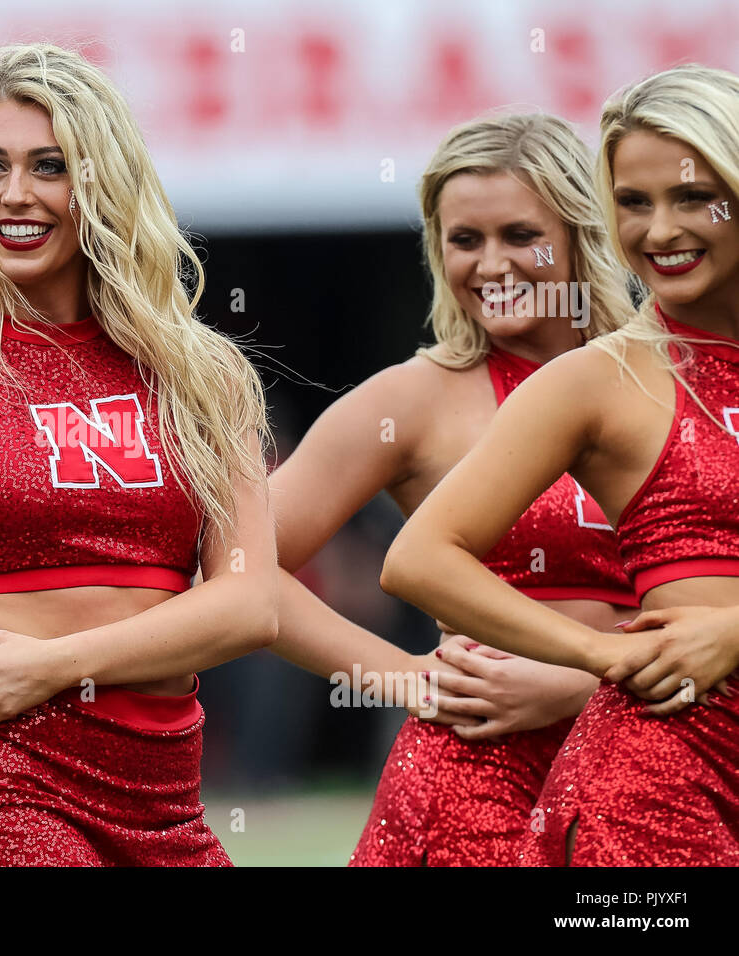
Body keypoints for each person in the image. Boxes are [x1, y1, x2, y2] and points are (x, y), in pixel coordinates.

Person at [0, 43, 277, 866]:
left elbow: (250, 604)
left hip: (164, 801)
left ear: (102, 181)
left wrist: (53, 666)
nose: (14, 195)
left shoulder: (198, 374)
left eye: (50, 166)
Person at [382, 64, 739, 865]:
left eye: (691, 197)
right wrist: (604, 659)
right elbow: (420, 559)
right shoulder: (596, 379)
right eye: (634, 203)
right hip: (655, 793)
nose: (659, 232)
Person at [270, 113, 637, 865]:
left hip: (657, 768)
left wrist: (582, 684)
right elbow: (237, 569)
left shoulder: (668, 382)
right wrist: (403, 678)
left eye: (519, 235)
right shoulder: (414, 400)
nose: (491, 264)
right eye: (465, 240)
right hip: (472, 787)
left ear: (579, 233)